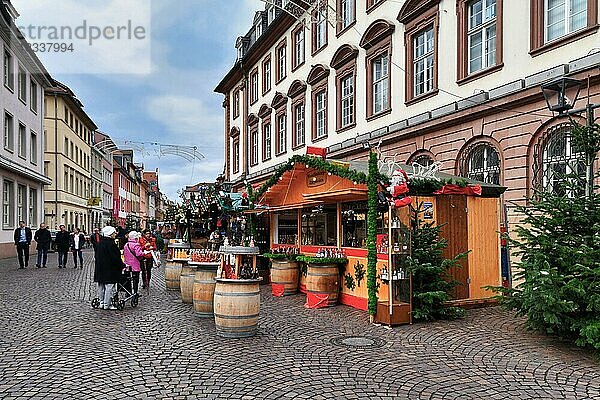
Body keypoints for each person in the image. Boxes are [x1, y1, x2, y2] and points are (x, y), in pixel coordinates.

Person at [94, 226, 124, 310]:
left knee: (101, 286)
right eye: (114, 233)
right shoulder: (111, 244)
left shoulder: (100, 243)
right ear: (110, 234)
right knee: (109, 286)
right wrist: (122, 265)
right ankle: (107, 304)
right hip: (110, 269)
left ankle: (102, 303)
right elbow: (116, 258)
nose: (115, 234)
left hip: (100, 268)